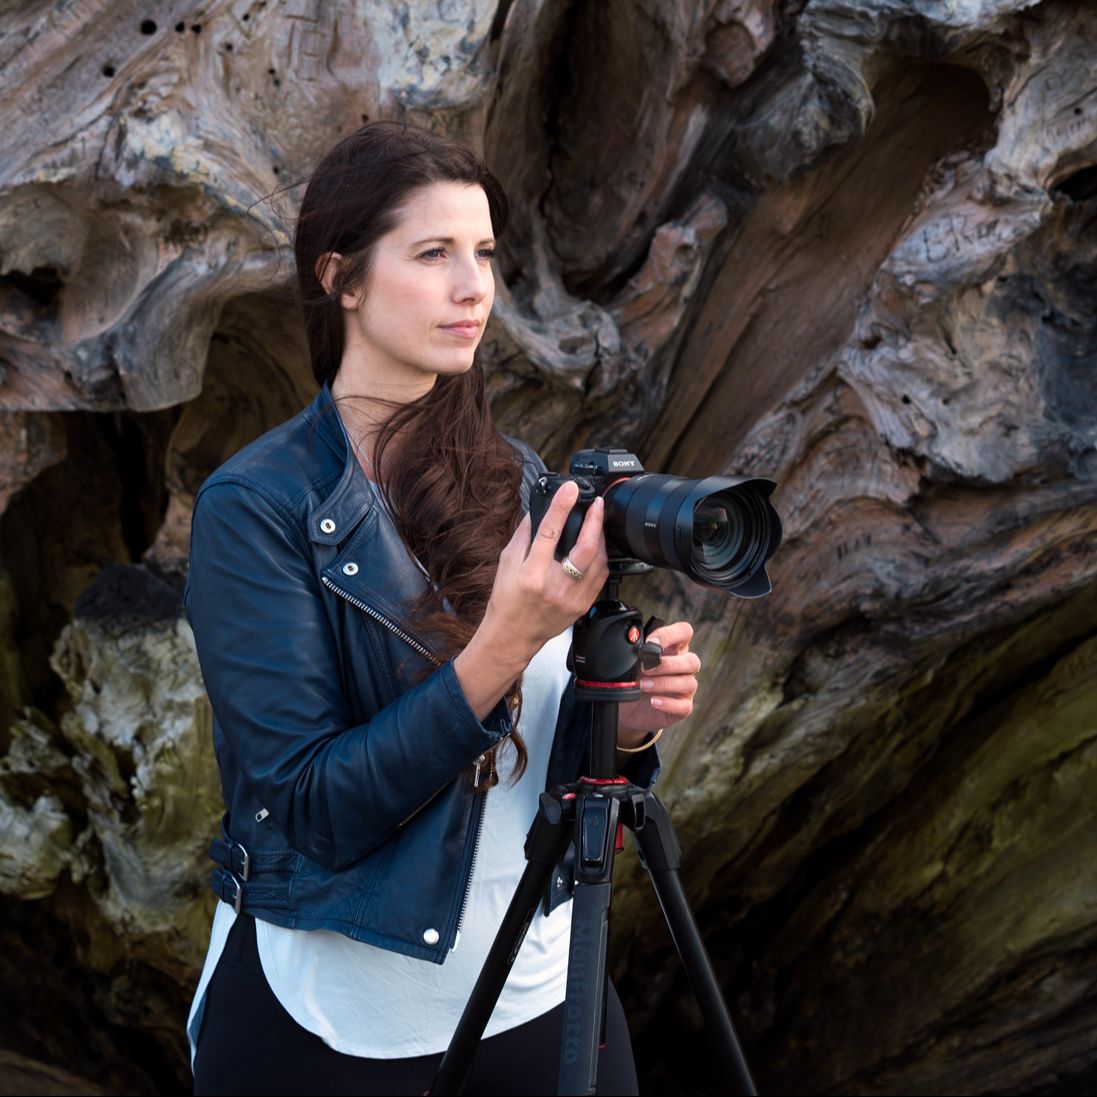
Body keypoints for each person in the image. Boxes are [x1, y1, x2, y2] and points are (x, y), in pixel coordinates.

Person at [183, 121, 702, 1096]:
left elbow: (535, 767)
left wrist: (622, 722)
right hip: (334, 1030)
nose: (473, 287)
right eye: (432, 254)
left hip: (543, 1001)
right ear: (340, 279)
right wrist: (504, 640)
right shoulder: (257, 506)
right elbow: (311, 807)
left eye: (484, 253)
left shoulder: (515, 477)